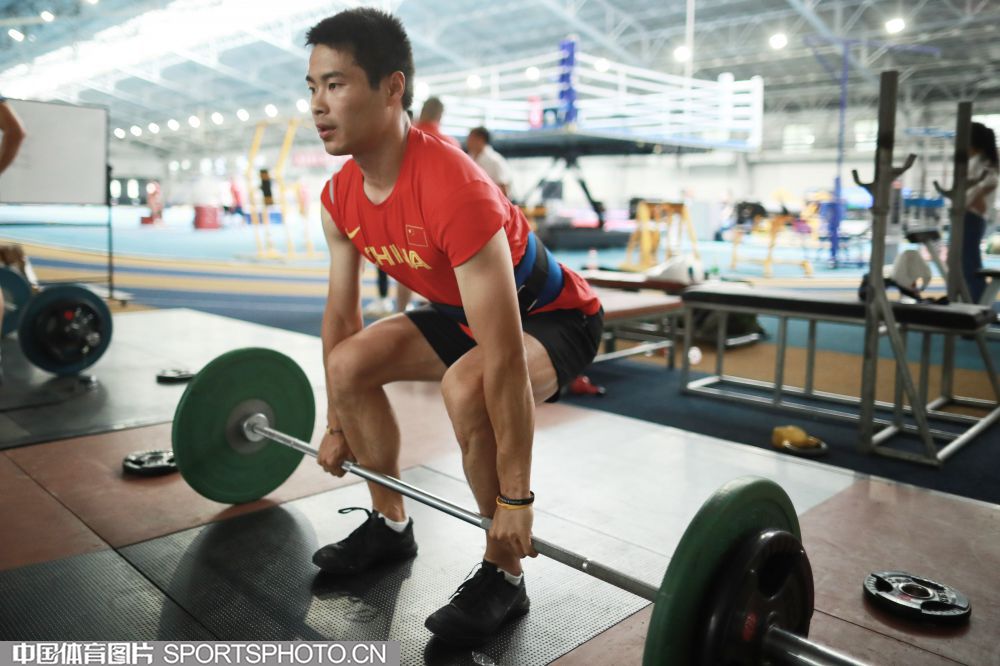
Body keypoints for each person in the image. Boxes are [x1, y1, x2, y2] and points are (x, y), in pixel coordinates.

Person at [305, 8, 603, 646]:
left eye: (335, 84)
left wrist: (516, 499)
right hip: (461, 314)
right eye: (312, 87)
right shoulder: (339, 197)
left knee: (467, 387)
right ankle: (389, 525)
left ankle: (504, 573)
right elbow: (342, 317)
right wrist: (336, 422)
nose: (318, 105)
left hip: (554, 317)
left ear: (392, 88)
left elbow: (502, 356)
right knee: (348, 364)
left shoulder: (454, 188)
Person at [964, 122, 998, 304]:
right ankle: (976, 301)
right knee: (967, 263)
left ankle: (978, 303)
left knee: (969, 264)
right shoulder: (980, 161)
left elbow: (990, 182)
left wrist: (973, 202)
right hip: (971, 217)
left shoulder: (982, 162)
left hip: (971, 217)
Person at [466, 127, 512, 198]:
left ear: (480, 140)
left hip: (491, 201)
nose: (468, 142)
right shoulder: (468, 158)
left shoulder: (495, 160)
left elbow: (504, 188)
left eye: (471, 139)